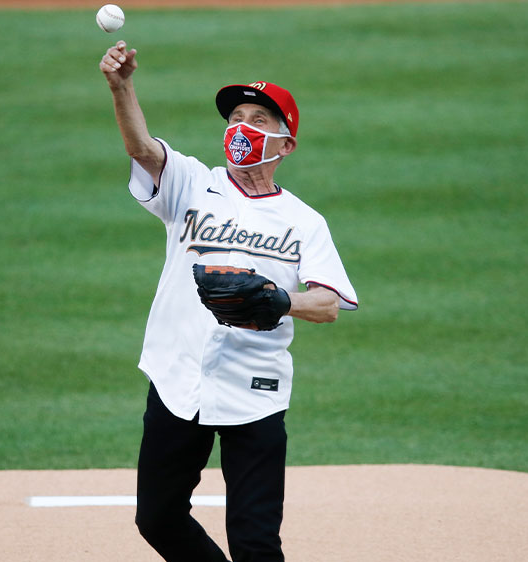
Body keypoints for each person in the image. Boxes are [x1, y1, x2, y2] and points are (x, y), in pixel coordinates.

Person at [99, 40, 359, 562]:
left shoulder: (304, 222)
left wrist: (277, 301)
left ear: (285, 145)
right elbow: (142, 149)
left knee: (255, 541)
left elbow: (329, 303)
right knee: (158, 518)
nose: (242, 126)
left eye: (259, 119)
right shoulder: (193, 184)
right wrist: (121, 86)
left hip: (254, 391)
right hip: (178, 379)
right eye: (236, 116)